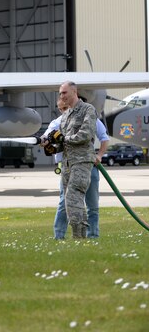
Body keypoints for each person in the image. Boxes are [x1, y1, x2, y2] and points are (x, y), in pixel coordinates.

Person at [43, 99, 110, 239]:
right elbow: (47, 137)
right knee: (64, 202)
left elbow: (104, 137)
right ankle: (59, 236)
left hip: (88, 165)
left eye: (66, 108)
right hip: (67, 167)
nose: (64, 111)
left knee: (92, 203)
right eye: (60, 109)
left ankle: (93, 235)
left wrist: (100, 155)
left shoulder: (88, 118)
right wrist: (44, 142)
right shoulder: (56, 123)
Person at [57, 81, 98, 239]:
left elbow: (86, 134)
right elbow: (61, 142)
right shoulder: (65, 116)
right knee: (72, 201)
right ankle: (80, 238)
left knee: (73, 196)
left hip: (81, 161)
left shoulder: (88, 109)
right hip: (67, 163)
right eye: (60, 93)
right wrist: (50, 145)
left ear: (75, 92)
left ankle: (78, 237)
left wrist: (63, 138)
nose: (62, 96)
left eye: (64, 93)